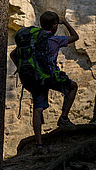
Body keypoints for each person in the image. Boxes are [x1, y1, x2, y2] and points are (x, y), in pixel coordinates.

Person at [10, 11, 79, 154]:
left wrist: (22, 68)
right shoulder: (54, 40)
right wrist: (65, 22)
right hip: (50, 76)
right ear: (54, 26)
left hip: (34, 78)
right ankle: (64, 118)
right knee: (73, 87)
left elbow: (13, 55)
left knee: (38, 108)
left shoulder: (31, 39)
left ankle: (39, 144)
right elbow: (75, 37)